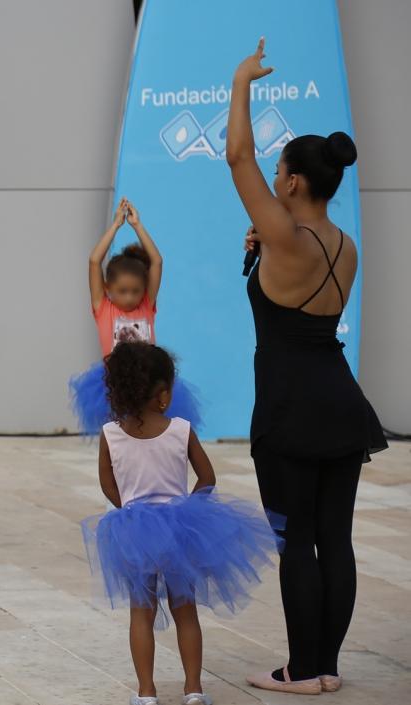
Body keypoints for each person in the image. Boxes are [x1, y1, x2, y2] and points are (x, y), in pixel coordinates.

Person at [226, 39, 387, 695]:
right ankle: (326, 668)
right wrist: (267, 238)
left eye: (278, 170)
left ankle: (299, 670)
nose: (270, 174)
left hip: (291, 405)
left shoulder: (285, 234)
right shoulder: (343, 244)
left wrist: (241, 81)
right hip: (342, 402)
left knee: (295, 541)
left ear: (292, 180)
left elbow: (236, 155)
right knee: (335, 540)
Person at [81, 342, 278, 705]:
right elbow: (206, 477)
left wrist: (129, 510)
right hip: (180, 531)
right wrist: (191, 510)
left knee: (141, 614)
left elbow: (107, 483)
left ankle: (146, 692)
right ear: (164, 394)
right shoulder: (181, 429)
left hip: (133, 533)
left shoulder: (111, 435)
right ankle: (193, 689)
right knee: (185, 613)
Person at [70, 198, 202, 435]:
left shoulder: (146, 306)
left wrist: (137, 225)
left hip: (149, 380)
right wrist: (116, 226)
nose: (130, 298)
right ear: (108, 288)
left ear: (144, 291)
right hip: (116, 380)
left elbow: (157, 261)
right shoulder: (104, 308)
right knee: (122, 432)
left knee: (150, 429)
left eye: (135, 291)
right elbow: (94, 261)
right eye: (122, 291)